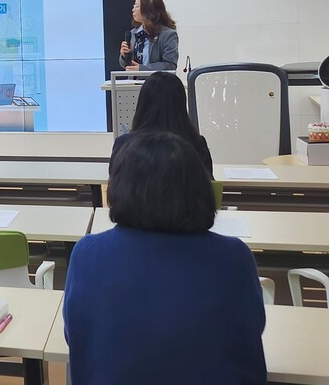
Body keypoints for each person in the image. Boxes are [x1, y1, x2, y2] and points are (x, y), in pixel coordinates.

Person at [65, 132, 266, 385]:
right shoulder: (234, 257)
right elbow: (250, 330)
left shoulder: (88, 255)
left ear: (119, 188)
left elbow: (76, 336)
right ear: (199, 188)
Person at [109, 71, 212, 175]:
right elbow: (210, 188)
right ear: (181, 106)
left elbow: (114, 187)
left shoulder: (123, 144)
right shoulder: (196, 144)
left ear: (143, 105)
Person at [119, 0, 178, 71]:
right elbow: (127, 65)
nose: (133, 10)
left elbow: (170, 65)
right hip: (133, 81)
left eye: (136, 6)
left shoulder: (168, 35)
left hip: (156, 82)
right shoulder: (134, 33)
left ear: (148, 10)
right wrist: (124, 55)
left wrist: (142, 69)